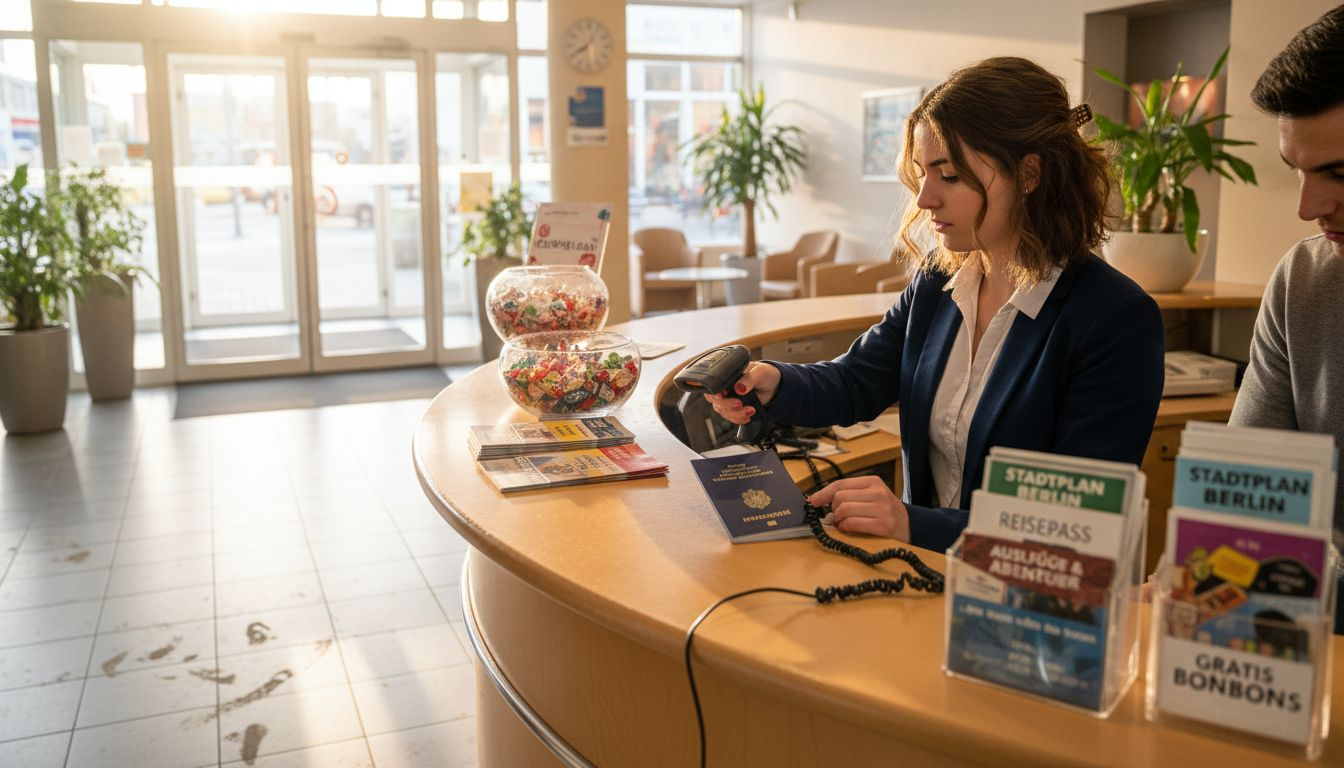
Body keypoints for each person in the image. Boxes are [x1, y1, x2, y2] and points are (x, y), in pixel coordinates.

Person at [705, 57, 1166, 553]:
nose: (924, 199)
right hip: (922, 572)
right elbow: (858, 380)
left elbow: (1074, 525)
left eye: (948, 176)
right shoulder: (938, 280)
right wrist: (774, 382)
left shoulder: (1116, 319)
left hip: (1019, 590)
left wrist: (911, 524)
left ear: (1029, 174)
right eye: (923, 174)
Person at [1226, 5, 1344, 630]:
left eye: (1339, 173)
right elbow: (1245, 503)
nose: (1308, 207)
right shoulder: (1304, 280)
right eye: (1297, 171)